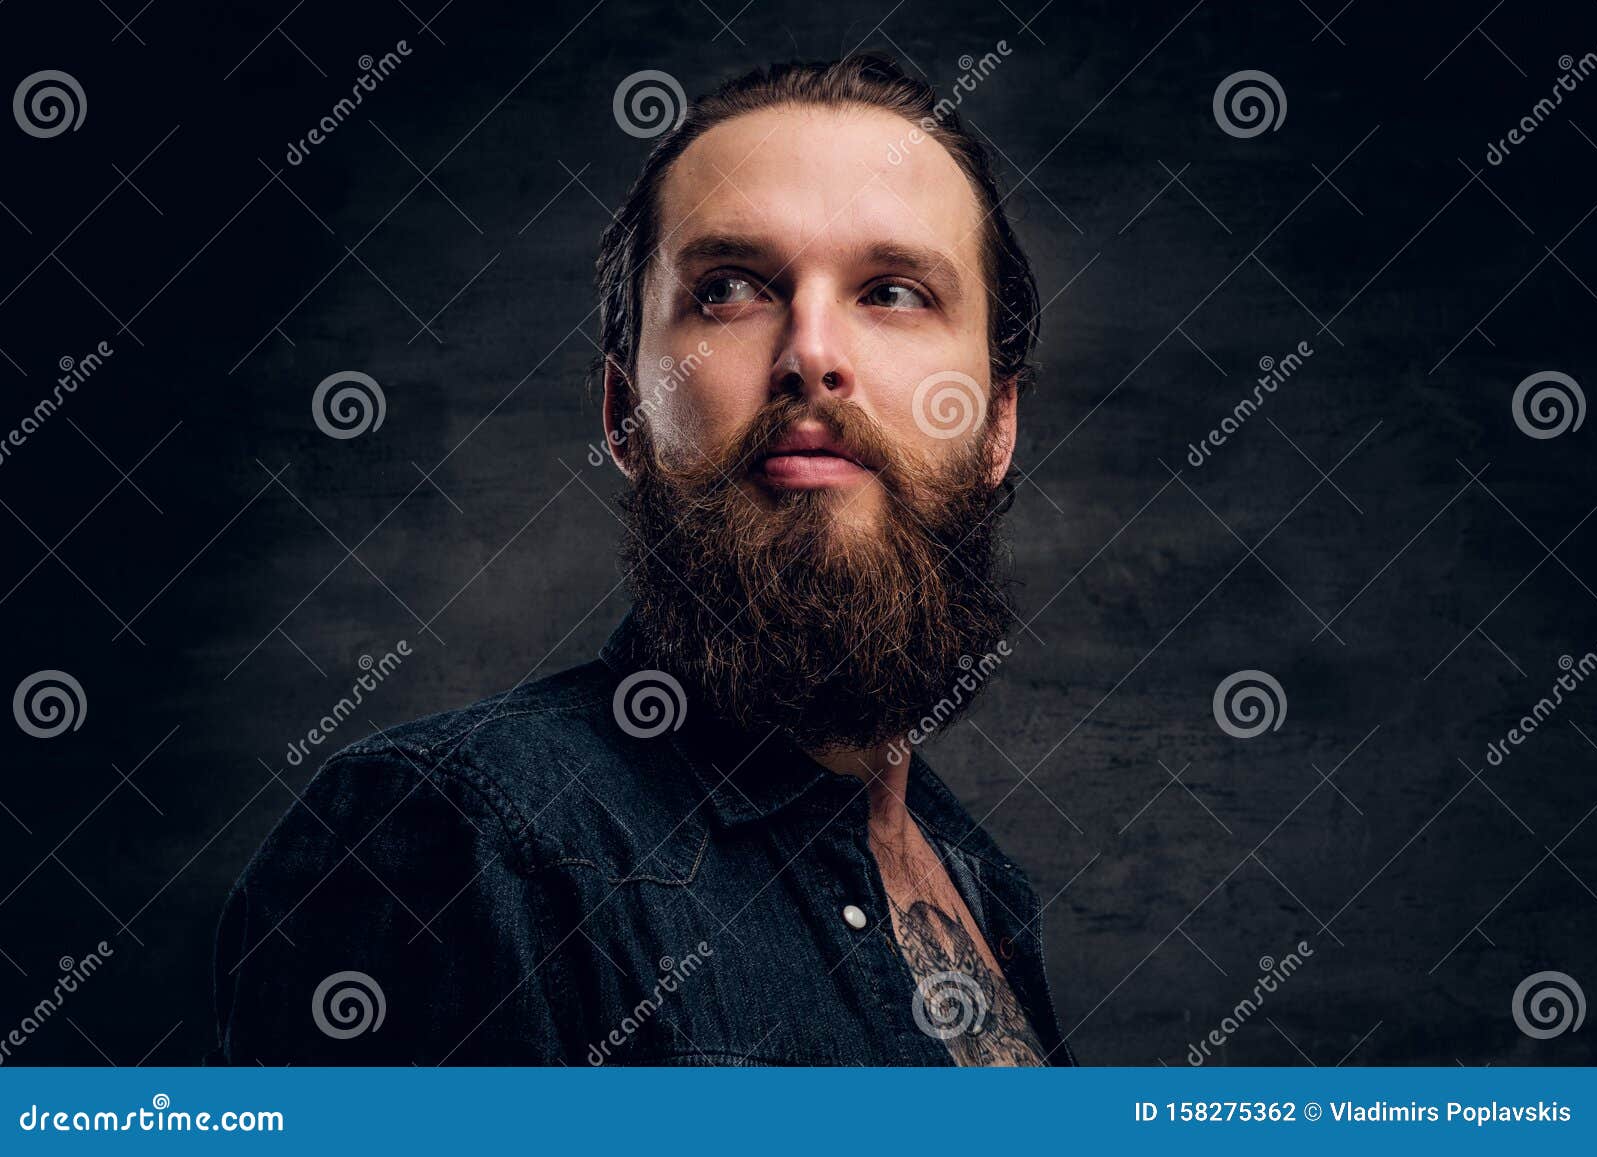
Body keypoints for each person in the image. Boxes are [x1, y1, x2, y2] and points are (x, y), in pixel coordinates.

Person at [209, 53, 1075, 1067]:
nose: (809, 351)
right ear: (625, 414)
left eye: (891, 290)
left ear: (997, 423)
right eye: (728, 291)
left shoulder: (977, 879)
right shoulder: (456, 843)